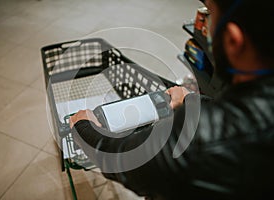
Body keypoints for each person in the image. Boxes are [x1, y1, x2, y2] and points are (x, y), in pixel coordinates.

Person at [69, 0, 274, 199]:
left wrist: (84, 126)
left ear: (232, 40)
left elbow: (121, 160)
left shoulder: (196, 142)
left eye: (211, 16)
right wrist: (194, 101)